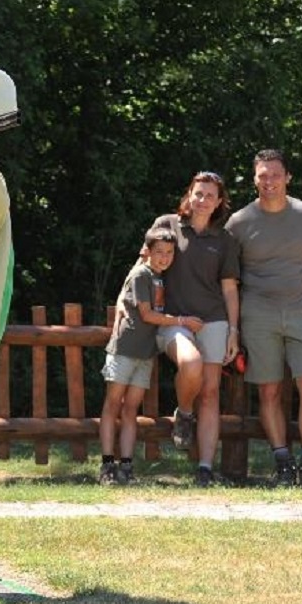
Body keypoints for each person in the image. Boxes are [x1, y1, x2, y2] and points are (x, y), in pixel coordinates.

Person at [224, 149, 302, 487]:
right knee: (269, 391)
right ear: (254, 179)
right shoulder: (238, 222)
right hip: (258, 312)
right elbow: (225, 273)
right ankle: (282, 461)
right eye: (262, 175)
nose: (269, 181)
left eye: (275, 174)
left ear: (288, 177)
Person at [152, 172, 240, 486]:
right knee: (191, 364)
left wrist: (233, 330)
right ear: (189, 194)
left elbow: (229, 289)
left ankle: (205, 468)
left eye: (210, 196)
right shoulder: (167, 224)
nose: (202, 200)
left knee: (212, 393)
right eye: (198, 193)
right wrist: (128, 301)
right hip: (174, 320)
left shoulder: (225, 239)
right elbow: (143, 264)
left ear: (219, 202)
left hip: (214, 319)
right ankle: (184, 413)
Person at [98, 227, 178, 486]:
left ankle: (126, 466)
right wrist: (182, 322)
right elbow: (147, 315)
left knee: (131, 409)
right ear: (147, 252)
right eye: (159, 253)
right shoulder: (141, 274)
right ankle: (107, 465)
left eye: (169, 253)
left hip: (145, 353)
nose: (164, 258)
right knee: (113, 404)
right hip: (125, 349)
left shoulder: (159, 277)